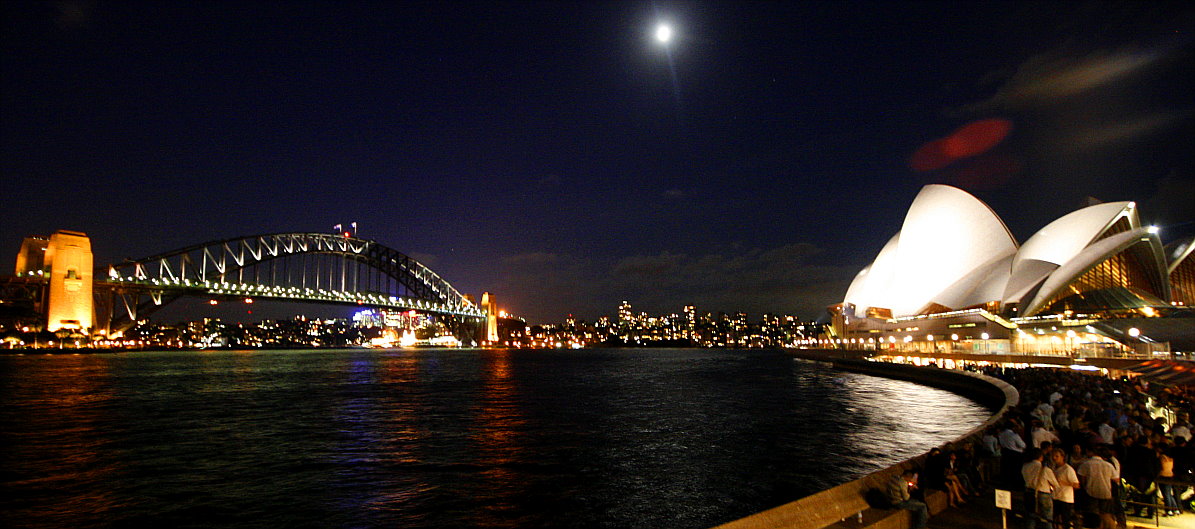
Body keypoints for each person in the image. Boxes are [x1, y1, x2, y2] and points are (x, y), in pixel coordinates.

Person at [1078, 446, 1118, 529]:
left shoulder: (1086, 464)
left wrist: (1086, 487)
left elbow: (1082, 478)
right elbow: (1116, 479)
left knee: (1093, 515)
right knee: (1105, 514)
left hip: (1091, 492)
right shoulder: (1108, 465)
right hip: (1106, 492)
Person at [1023, 447, 1058, 529]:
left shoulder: (1025, 467)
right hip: (1043, 494)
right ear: (1041, 456)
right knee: (1047, 518)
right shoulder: (1045, 469)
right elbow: (1055, 483)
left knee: (1030, 516)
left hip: (1029, 492)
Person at [1051, 448, 1080, 529]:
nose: (1054, 458)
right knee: (1054, 518)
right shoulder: (1054, 468)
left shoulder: (1068, 469)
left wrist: (1063, 483)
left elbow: (1076, 485)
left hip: (1065, 498)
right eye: (1053, 456)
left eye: (1057, 456)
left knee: (1065, 520)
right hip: (1055, 496)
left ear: (1062, 457)